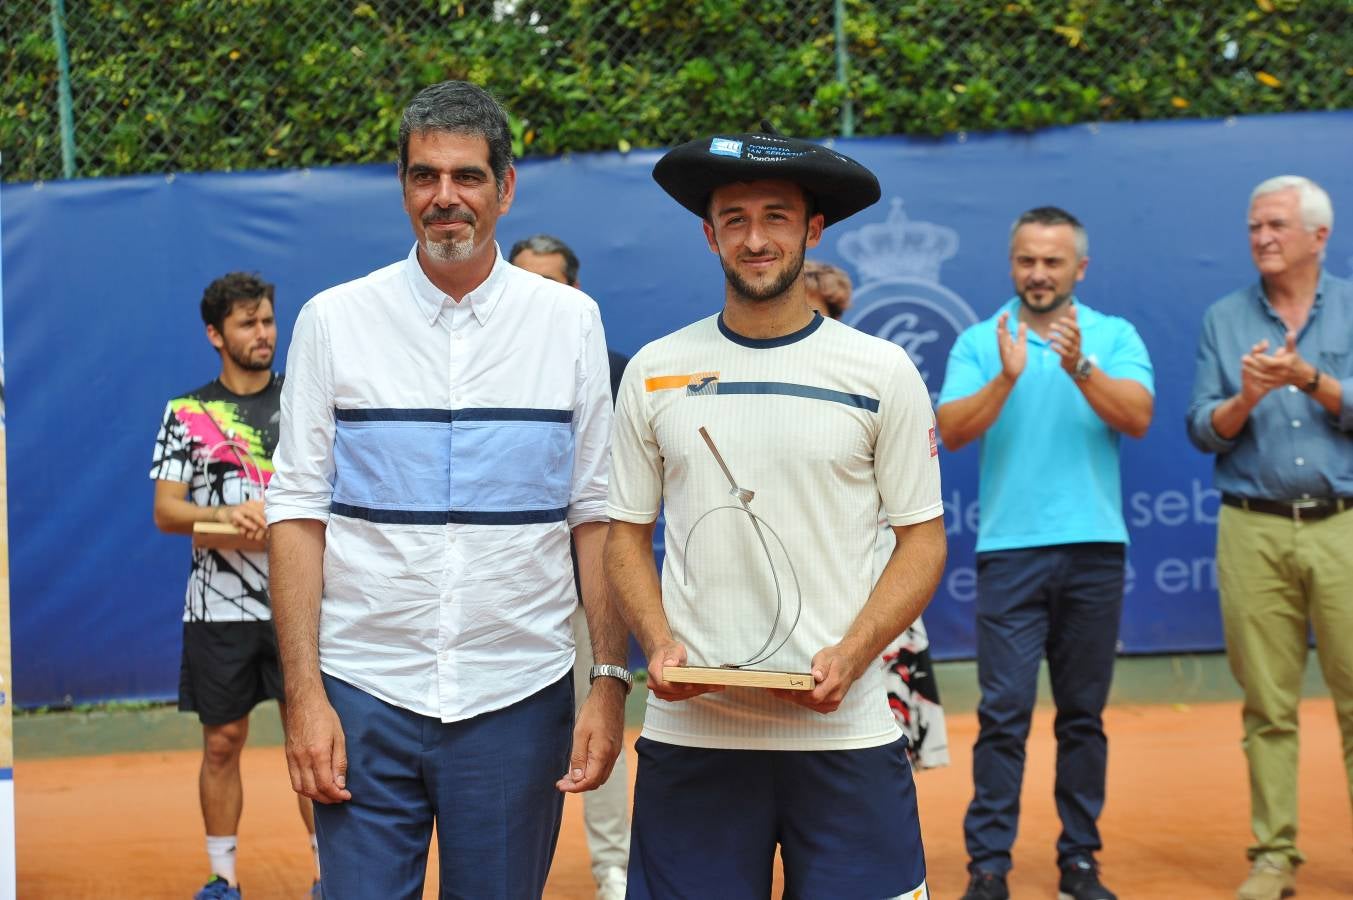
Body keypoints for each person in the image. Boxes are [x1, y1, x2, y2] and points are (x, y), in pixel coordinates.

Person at [264, 81, 628, 900]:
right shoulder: (332, 320)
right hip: (362, 691)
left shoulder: (570, 323)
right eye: (424, 176)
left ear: (505, 186)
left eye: (466, 176)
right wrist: (303, 695)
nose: (445, 198)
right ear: (402, 186)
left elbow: (597, 513)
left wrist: (606, 680)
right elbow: (295, 513)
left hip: (519, 696)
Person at [606, 130, 947, 899]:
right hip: (692, 735)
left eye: (775, 217)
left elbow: (922, 541)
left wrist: (855, 652)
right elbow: (624, 534)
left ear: (812, 230)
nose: (754, 239)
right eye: (734, 219)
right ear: (709, 234)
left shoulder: (880, 371)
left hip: (846, 729)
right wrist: (657, 645)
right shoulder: (656, 371)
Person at [938, 207, 1154, 900]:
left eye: (1052, 262)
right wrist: (1003, 378)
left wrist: (1079, 365)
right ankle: (988, 869)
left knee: (1082, 716)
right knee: (1001, 714)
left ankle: (1078, 863)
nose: (1037, 274)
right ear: (1012, 264)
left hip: (1093, 550)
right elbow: (950, 430)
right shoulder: (980, 340)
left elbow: (1138, 417)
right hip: (1009, 552)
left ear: (1078, 269)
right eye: (1026, 260)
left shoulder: (1112, 336)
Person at [1186, 175, 1353, 900]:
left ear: (1318, 235)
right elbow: (1201, 427)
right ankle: (1273, 857)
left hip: (1343, 525)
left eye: (1276, 226)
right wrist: (1248, 396)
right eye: (1254, 226)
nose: (1261, 238)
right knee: (1266, 705)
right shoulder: (1223, 318)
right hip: (1251, 526)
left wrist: (1308, 378)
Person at [149, 272, 318, 900]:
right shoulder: (187, 414)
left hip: (301, 604)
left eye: (268, 321)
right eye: (248, 324)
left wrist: (265, 518)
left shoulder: (302, 400)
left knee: (313, 738)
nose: (263, 334)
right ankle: (223, 881)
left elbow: (328, 498)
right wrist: (225, 517)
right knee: (222, 742)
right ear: (216, 334)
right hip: (216, 608)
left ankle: (330, 875)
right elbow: (168, 511)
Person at [509, 233, 631, 900]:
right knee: (510, 733)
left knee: (600, 716)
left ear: (576, 294)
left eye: (549, 285)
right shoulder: (478, 366)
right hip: (510, 589)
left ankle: (613, 866)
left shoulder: (618, 372)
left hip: (590, 586)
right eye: (521, 281)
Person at [804, 257, 950, 770]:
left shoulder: (873, 380)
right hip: (804, 587)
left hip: (877, 575)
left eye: (818, 312)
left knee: (885, 744)